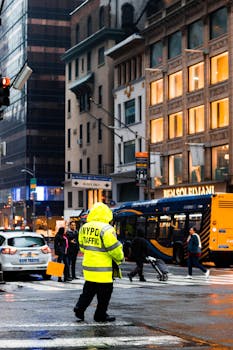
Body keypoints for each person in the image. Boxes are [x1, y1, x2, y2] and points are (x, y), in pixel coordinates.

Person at [73, 202, 124, 322]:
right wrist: (120, 258)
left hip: (89, 266)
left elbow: (82, 247)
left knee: (88, 290)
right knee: (104, 294)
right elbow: (114, 248)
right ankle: (100, 315)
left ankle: (79, 308)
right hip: (103, 268)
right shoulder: (107, 229)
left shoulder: (84, 227)